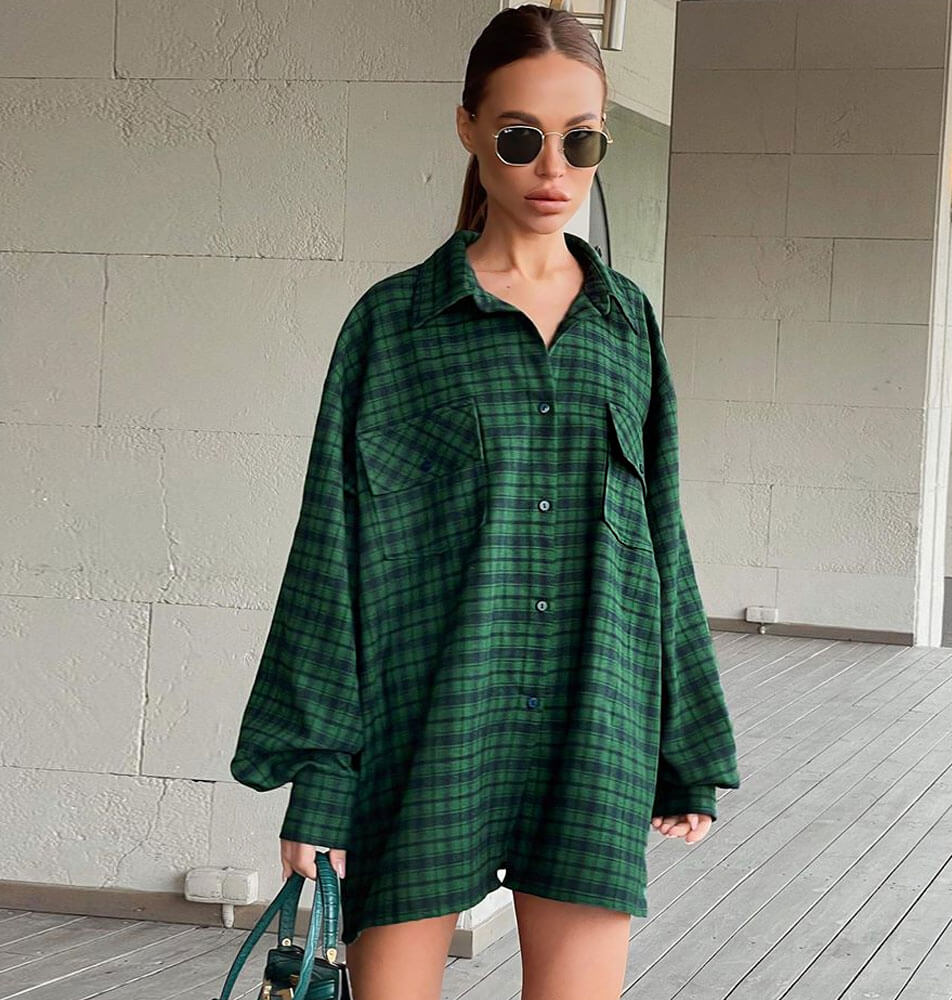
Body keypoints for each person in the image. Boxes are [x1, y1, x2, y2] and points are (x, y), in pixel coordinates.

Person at [229, 5, 740, 998]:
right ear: (467, 127)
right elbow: (332, 551)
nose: (553, 168)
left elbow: (659, 541)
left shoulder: (626, 325)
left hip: (594, 725)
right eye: (520, 138)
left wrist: (684, 749)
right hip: (428, 727)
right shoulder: (393, 326)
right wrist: (323, 779)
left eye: (581, 140)